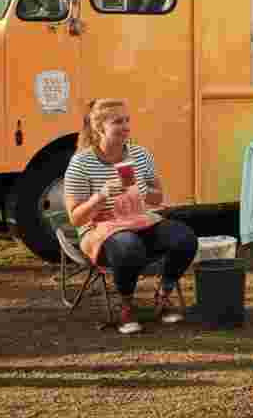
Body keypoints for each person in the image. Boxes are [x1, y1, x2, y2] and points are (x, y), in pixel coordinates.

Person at [63, 98, 198, 335]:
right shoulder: (81, 162)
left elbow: (157, 197)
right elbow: (76, 219)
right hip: (100, 229)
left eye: (127, 120)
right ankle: (126, 306)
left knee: (185, 238)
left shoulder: (140, 154)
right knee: (128, 246)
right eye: (118, 122)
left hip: (138, 221)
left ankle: (163, 294)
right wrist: (101, 196)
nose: (126, 127)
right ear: (99, 127)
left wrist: (142, 191)